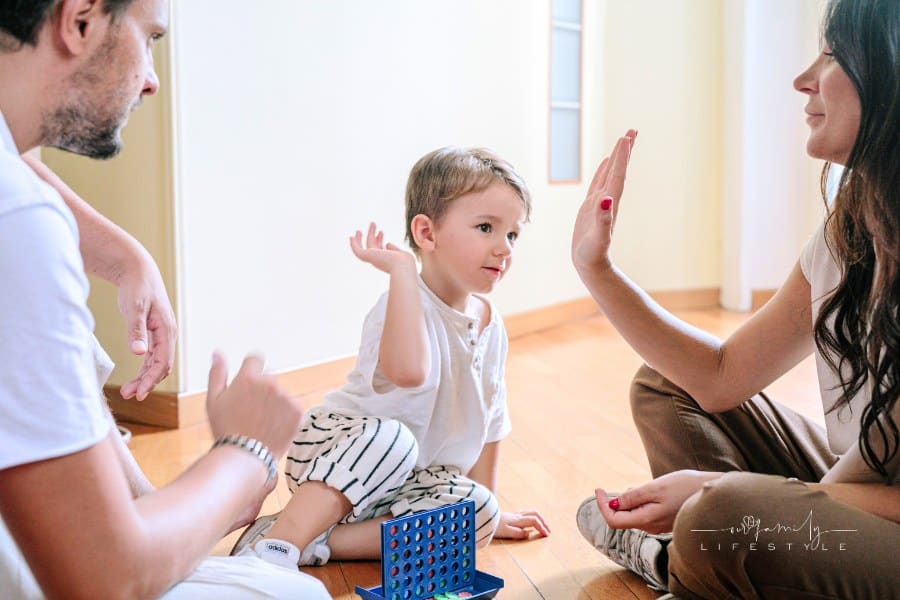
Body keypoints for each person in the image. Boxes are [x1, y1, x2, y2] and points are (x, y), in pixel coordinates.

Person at [0, 1, 329, 597]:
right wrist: (244, 453)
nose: (151, 79)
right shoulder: (18, 222)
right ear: (80, 20)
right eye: (149, 38)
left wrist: (124, 256)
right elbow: (105, 580)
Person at [572, 0, 900, 597]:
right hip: (854, 490)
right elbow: (720, 377)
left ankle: (689, 556)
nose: (803, 78)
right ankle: (707, 554)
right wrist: (597, 268)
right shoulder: (850, 230)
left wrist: (714, 499)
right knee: (665, 385)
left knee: (720, 518)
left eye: (830, 53)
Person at [231, 147, 550, 568]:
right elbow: (410, 371)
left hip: (411, 485)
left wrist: (490, 508)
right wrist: (402, 272)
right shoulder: (399, 304)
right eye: (486, 228)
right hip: (343, 457)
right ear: (426, 233)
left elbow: (492, 420)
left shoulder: (492, 326)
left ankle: (317, 542)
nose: (504, 248)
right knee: (395, 440)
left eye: (512, 235)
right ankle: (283, 540)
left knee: (479, 516)